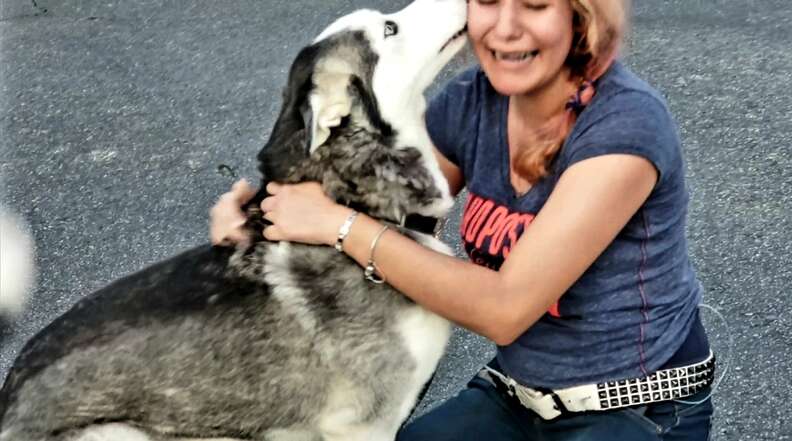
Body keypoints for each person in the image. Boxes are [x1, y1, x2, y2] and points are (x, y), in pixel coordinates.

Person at [210, 0, 716, 439]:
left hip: (636, 412)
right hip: (517, 398)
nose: (505, 28)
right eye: (489, 1)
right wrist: (260, 217)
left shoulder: (624, 127)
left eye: (536, 6)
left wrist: (337, 226)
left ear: (580, 17)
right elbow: (389, 205)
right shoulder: (476, 100)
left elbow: (504, 309)